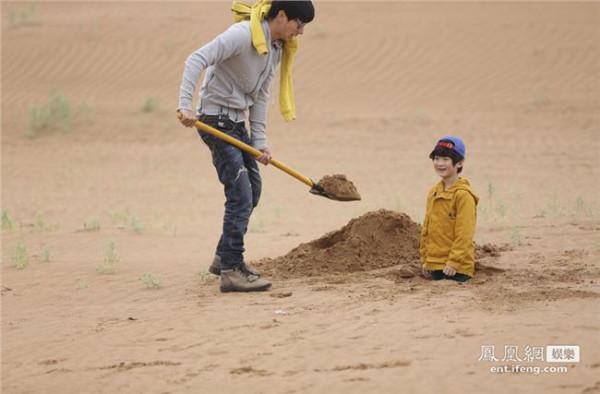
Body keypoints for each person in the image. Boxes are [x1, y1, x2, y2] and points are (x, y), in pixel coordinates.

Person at [177, 1, 315, 292]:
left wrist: (260, 142)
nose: (300, 32)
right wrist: (185, 105)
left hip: (238, 125)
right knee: (240, 194)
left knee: (253, 189)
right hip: (215, 121)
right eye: (298, 24)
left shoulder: (275, 49)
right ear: (281, 16)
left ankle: (222, 256)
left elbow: (261, 96)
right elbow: (196, 59)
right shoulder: (241, 34)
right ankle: (231, 270)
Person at [420, 136, 479, 282]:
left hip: (457, 269)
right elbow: (427, 228)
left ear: (459, 163)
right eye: (437, 158)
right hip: (435, 265)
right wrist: (425, 259)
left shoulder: (463, 195)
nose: (440, 164)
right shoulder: (433, 192)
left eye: (446, 159)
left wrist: (454, 262)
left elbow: (464, 233)